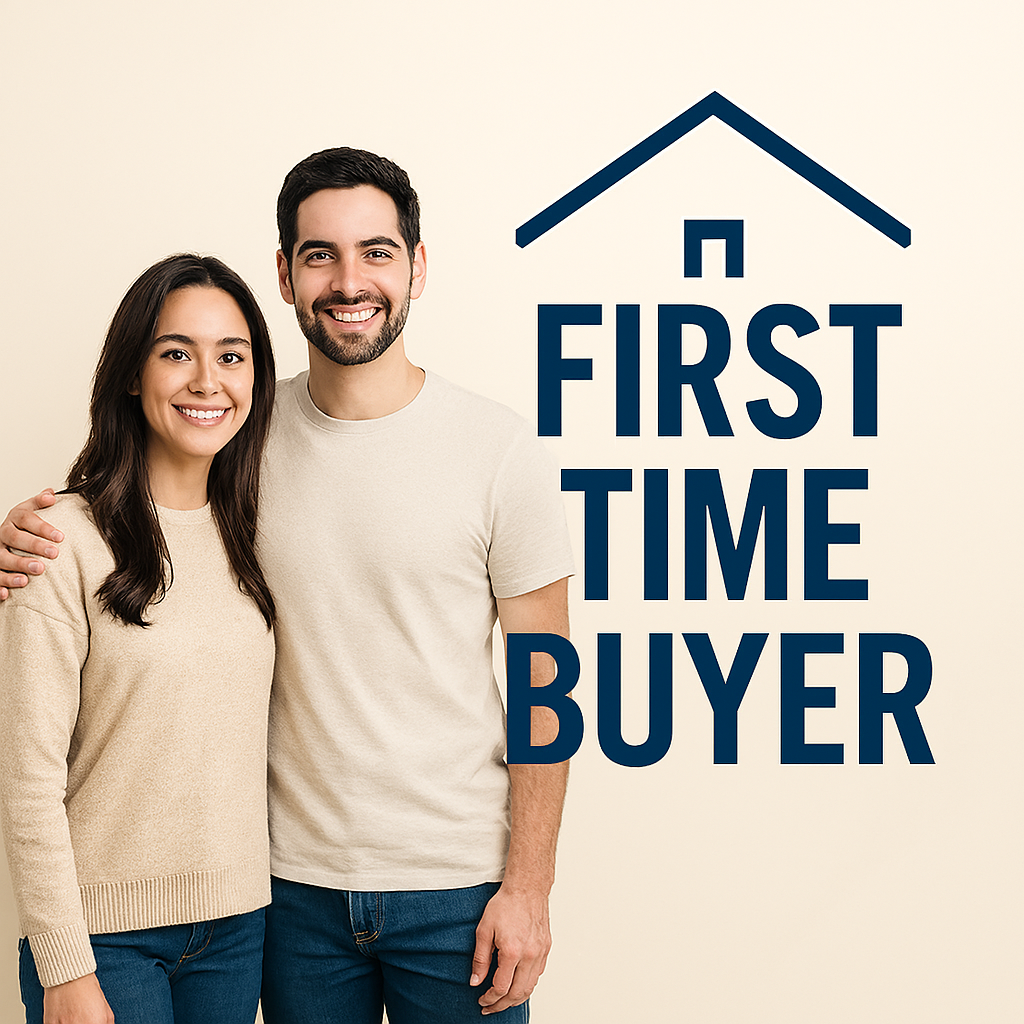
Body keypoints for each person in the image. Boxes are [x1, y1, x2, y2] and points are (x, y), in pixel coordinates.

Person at [0, 149, 574, 1023]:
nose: (351, 281)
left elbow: (547, 682)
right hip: (288, 895)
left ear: (418, 265)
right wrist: (25, 538)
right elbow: (138, 523)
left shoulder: (500, 449)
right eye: (320, 255)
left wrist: (529, 885)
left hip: (456, 890)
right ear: (285, 273)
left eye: (377, 252)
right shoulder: (240, 435)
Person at [0, 254, 278, 1024]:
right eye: (175, 352)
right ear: (131, 372)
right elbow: (29, 779)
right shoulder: (60, 542)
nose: (206, 381)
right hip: (103, 942)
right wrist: (64, 965)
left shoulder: (257, 532)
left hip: (237, 928)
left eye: (231, 356)